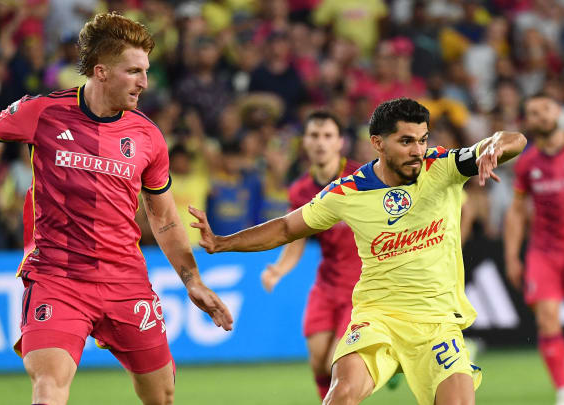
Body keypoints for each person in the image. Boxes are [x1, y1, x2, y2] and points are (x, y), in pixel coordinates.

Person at [0, 12, 233, 405]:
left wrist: (191, 280)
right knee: (49, 387)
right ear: (101, 71)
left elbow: (163, 218)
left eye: (145, 70)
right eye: (134, 71)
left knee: (162, 396)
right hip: (58, 278)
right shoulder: (43, 112)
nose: (145, 82)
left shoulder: (148, 137)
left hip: (125, 280)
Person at [190, 97, 526, 405]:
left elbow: (515, 140)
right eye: (406, 141)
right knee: (341, 395)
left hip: (437, 323)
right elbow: (285, 228)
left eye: (422, 140)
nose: (418, 150)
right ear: (378, 143)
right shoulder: (348, 190)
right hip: (378, 318)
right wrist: (222, 243)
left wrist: (495, 144)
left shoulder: (443, 166)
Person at [260, 109, 361, 400]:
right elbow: (296, 240)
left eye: (328, 136)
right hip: (327, 285)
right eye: (314, 135)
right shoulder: (300, 190)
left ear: (340, 142)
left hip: (363, 287)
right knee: (318, 363)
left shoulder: (362, 178)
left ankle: (386, 367)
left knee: (336, 363)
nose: (320, 142)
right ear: (304, 142)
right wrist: (278, 270)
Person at [504, 93, 564, 405]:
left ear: (558, 110)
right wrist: (512, 255)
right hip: (544, 251)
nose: (540, 115)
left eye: (545, 108)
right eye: (532, 112)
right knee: (545, 320)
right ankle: (563, 392)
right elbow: (516, 211)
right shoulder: (527, 162)